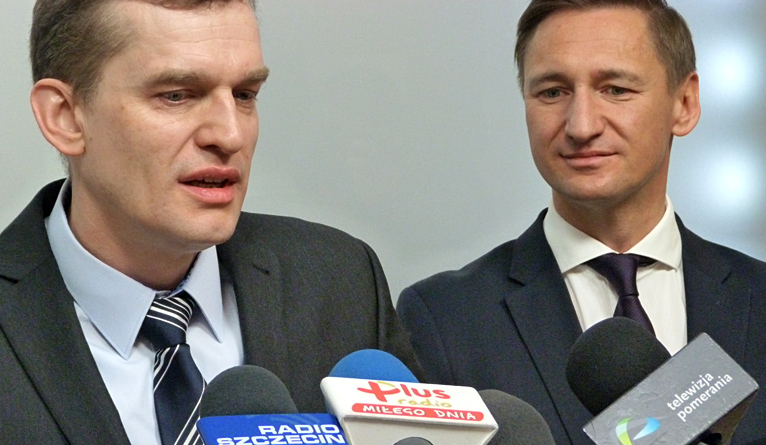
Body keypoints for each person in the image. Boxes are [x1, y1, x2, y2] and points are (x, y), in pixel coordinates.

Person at [0, 0, 420, 443]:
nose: (229, 135)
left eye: (244, 95)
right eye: (176, 95)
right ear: (65, 117)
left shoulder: (339, 281)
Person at [397, 1, 766, 444]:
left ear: (684, 103)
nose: (581, 126)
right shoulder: (444, 318)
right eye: (553, 92)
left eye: (615, 89)